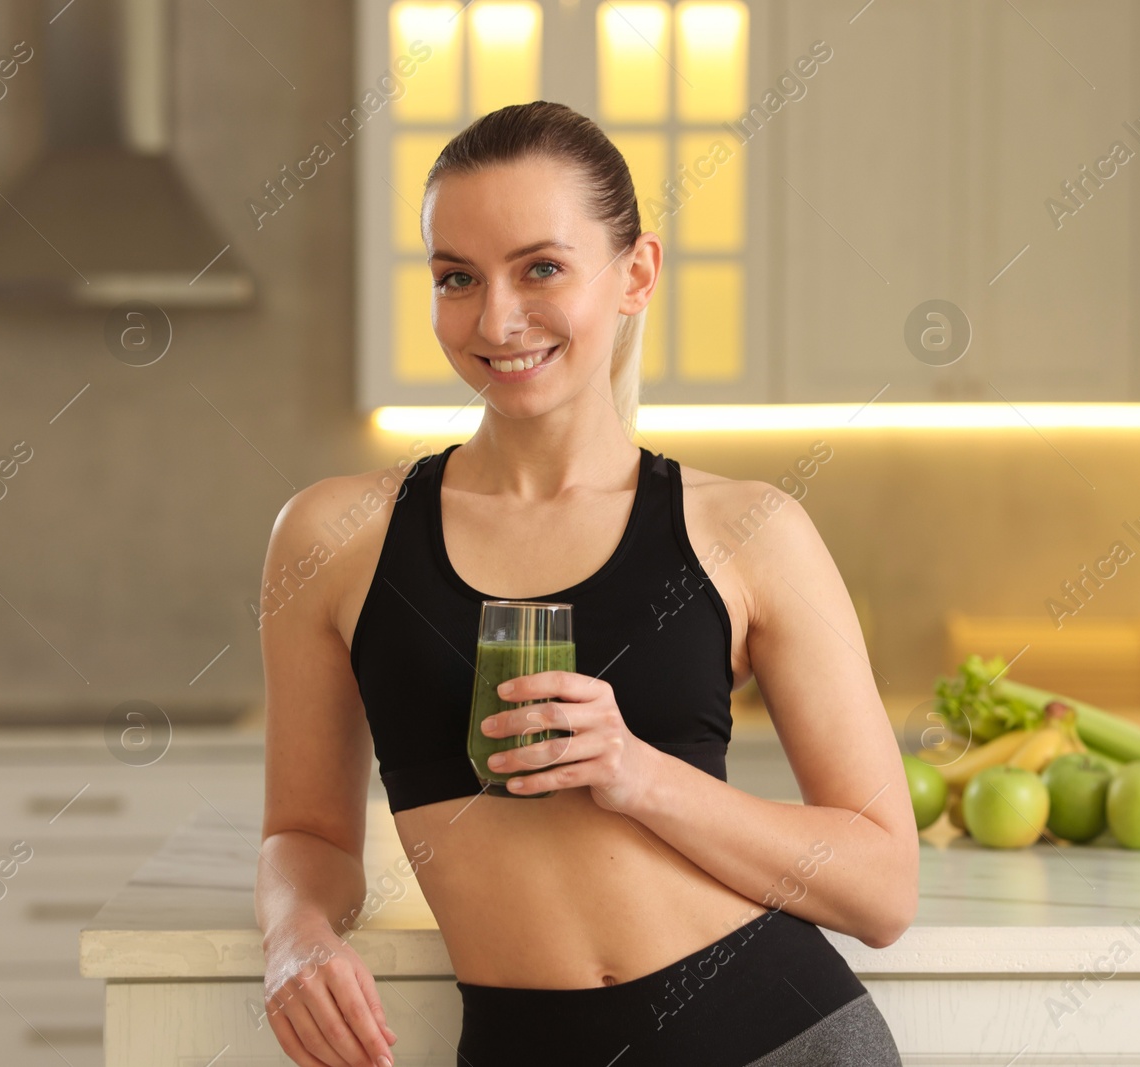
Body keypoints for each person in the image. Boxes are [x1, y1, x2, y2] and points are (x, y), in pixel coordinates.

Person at [254, 100, 916, 1066]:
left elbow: (883, 888)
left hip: (772, 1037)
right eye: (457, 278)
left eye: (542, 267)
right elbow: (306, 831)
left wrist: (637, 773)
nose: (496, 318)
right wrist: (295, 934)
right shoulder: (333, 537)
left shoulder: (748, 529)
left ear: (636, 272)